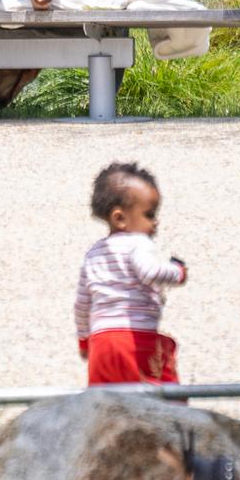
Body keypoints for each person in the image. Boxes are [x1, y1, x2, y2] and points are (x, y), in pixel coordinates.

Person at [74, 162, 189, 386]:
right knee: (163, 396)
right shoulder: (138, 242)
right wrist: (178, 272)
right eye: (149, 214)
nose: (155, 222)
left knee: (107, 404)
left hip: (100, 345)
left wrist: (84, 339)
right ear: (120, 218)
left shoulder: (93, 254)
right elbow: (150, 272)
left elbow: (82, 304)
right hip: (135, 341)